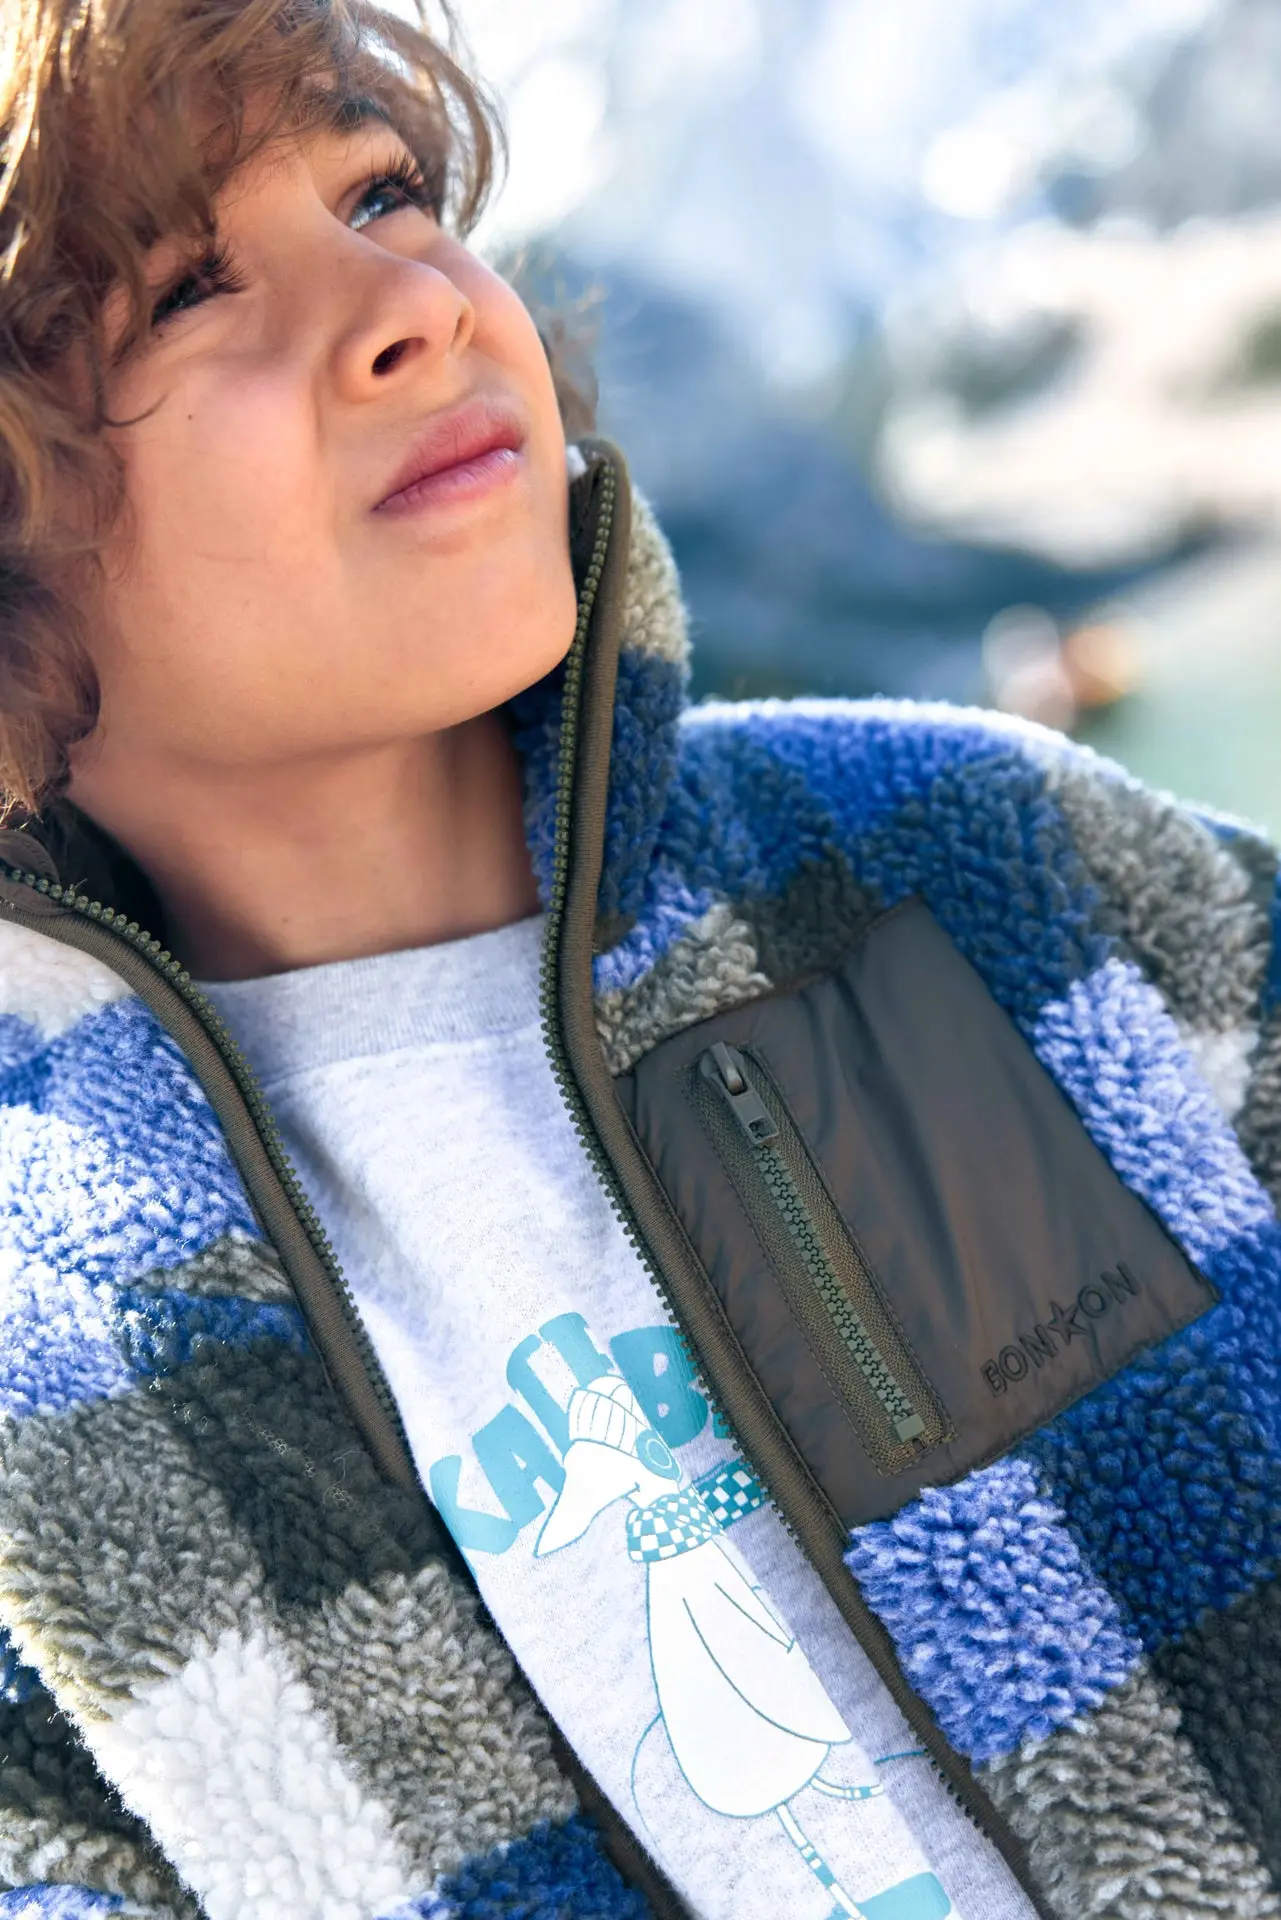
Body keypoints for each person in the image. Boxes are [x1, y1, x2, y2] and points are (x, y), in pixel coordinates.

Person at [0, 2, 1274, 1917]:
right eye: (187, 288)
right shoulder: (44, 1388)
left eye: (383, 191)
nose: (411, 302)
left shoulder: (975, 862)